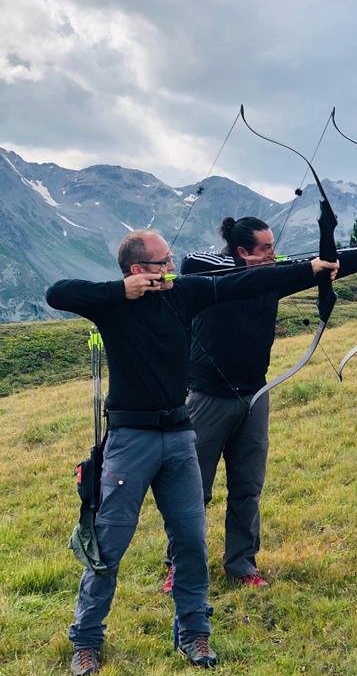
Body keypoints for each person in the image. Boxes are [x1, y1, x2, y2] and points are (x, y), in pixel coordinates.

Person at [46, 229, 338, 675]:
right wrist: (119, 292)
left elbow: (242, 282)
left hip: (180, 435)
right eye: (162, 263)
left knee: (190, 542)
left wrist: (310, 270)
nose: (171, 268)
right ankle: (86, 641)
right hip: (129, 441)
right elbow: (57, 293)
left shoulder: (183, 295)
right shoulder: (111, 303)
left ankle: (195, 634)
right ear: (138, 270)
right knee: (108, 545)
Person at [162, 217, 357, 591]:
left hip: (255, 396)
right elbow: (193, 263)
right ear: (242, 251)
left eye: (274, 247)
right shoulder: (207, 276)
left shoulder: (274, 277)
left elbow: (332, 260)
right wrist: (277, 270)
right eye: (265, 249)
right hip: (207, 399)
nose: (274, 255)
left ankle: (242, 564)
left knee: (247, 487)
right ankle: (179, 566)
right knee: (195, 489)